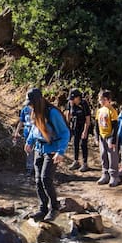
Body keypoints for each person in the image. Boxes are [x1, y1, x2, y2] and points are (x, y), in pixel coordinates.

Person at [24, 88, 70, 221]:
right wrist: (29, 141)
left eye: (31, 102)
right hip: (39, 148)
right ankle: (42, 208)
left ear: (38, 101)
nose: (29, 105)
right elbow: (34, 128)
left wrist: (60, 152)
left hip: (52, 150)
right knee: (38, 180)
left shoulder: (52, 113)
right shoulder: (35, 112)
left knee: (46, 179)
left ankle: (55, 208)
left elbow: (65, 133)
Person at [94, 90, 120, 187]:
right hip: (102, 136)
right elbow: (96, 125)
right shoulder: (99, 111)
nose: (101, 101)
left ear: (109, 100)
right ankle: (105, 174)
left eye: (104, 99)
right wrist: (96, 137)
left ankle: (114, 176)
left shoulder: (112, 111)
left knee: (112, 157)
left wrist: (113, 140)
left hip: (110, 136)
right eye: (100, 99)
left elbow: (115, 127)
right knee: (103, 155)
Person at [66, 88, 91, 172]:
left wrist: (85, 131)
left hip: (83, 125)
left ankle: (85, 163)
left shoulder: (84, 104)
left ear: (78, 97)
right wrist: (67, 125)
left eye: (73, 99)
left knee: (83, 144)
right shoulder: (70, 103)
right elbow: (68, 114)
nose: (72, 100)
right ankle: (76, 161)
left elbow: (88, 118)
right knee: (75, 143)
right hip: (75, 125)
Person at [12, 100, 35, 180]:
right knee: (29, 150)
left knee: (37, 150)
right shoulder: (24, 109)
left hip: (36, 131)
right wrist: (16, 132)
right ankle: (29, 168)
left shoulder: (37, 108)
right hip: (27, 131)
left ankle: (37, 168)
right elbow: (21, 121)